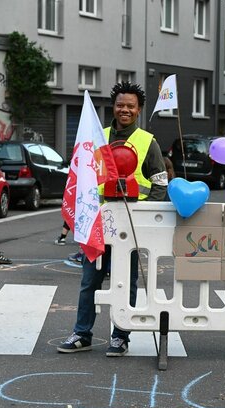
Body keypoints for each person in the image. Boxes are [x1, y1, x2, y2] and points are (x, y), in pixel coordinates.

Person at [58, 81, 167, 357]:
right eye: (120, 105)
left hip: (129, 227)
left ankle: (120, 336)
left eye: (130, 106)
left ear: (139, 109)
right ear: (114, 107)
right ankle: (82, 334)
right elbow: (85, 179)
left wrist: (143, 214)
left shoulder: (147, 142)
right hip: (98, 224)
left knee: (126, 282)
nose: (125, 110)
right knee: (89, 282)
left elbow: (160, 184)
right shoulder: (98, 137)